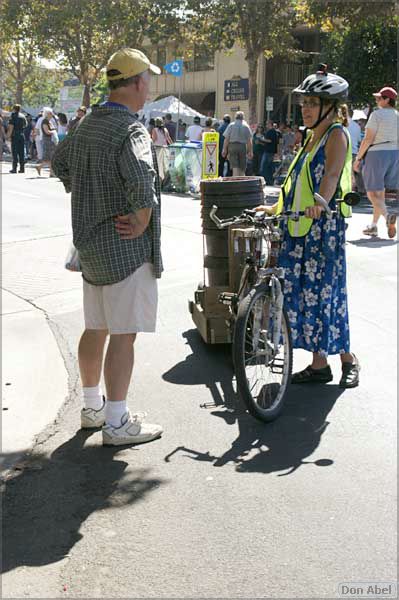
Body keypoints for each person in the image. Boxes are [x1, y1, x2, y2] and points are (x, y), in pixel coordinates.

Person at [52, 47, 163, 446]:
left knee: (95, 328)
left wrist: (87, 193)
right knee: (124, 334)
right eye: (147, 80)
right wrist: (141, 221)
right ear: (135, 83)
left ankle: (91, 407)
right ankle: (117, 422)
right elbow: (142, 178)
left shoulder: (88, 123)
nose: (149, 88)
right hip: (123, 249)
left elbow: (58, 162)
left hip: (90, 247)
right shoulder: (131, 129)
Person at [256, 65, 360, 388]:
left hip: (323, 228)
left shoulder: (336, 135)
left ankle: (340, 361)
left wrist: (321, 202)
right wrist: (275, 206)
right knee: (306, 295)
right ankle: (323, 363)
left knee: (325, 295)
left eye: (312, 103)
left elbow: (330, 176)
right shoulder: (310, 137)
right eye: (304, 103)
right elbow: (294, 182)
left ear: (330, 107)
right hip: (299, 227)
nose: (306, 108)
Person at [354, 86, 398, 238]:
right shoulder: (397, 115)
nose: (377, 100)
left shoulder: (377, 115)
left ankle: (387, 217)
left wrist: (358, 158)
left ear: (387, 100)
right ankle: (373, 226)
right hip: (394, 153)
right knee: (380, 193)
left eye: (380, 98)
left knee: (372, 192)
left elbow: (368, 138)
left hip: (377, 153)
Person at [221, 110, 253, 176]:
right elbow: (249, 141)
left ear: (235, 117)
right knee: (242, 167)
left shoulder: (231, 125)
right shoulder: (246, 126)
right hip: (242, 147)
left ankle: (235, 181)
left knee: (235, 167)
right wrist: (250, 151)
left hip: (232, 146)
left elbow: (226, 139)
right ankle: (242, 182)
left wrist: (224, 149)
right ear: (243, 117)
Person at [35, 109, 57, 177]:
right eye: (50, 113)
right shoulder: (45, 121)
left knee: (51, 157)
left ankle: (50, 172)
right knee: (49, 157)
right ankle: (41, 167)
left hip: (51, 140)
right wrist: (53, 132)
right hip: (47, 140)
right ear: (47, 114)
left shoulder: (49, 121)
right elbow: (46, 131)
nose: (52, 114)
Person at [7, 104, 27, 173]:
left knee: (15, 152)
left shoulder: (13, 115)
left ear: (14, 109)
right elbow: (25, 125)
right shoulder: (23, 116)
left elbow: (11, 127)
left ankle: (14, 168)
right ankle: (22, 168)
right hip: (22, 135)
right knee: (21, 152)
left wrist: (8, 136)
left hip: (15, 135)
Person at [260, 120, 279, 185]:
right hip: (270, 151)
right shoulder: (273, 131)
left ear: (270, 124)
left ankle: (267, 181)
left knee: (264, 167)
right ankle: (269, 181)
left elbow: (270, 141)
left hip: (269, 152)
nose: (266, 125)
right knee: (269, 167)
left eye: (267, 124)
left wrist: (262, 139)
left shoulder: (271, 131)